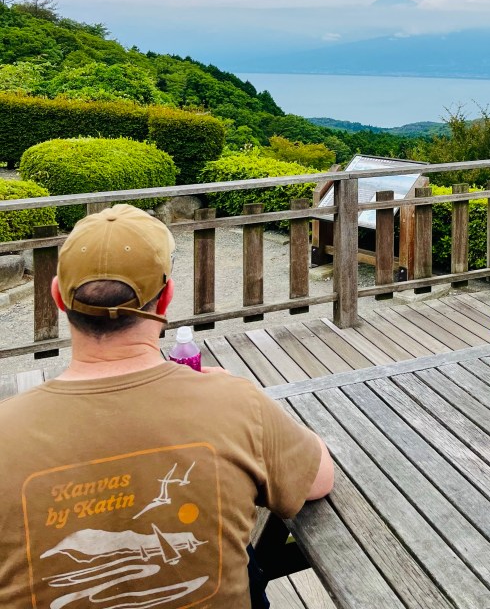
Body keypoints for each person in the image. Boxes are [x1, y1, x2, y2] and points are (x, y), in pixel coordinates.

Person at [0, 204, 334, 608]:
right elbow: (318, 478)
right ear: (166, 299)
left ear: (57, 296)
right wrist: (239, 399)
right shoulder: (234, 403)